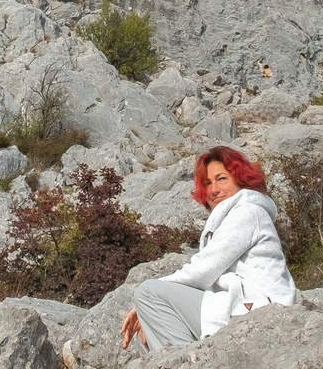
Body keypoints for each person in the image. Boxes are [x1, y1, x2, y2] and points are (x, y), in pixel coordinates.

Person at [120, 146, 296, 352]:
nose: (213, 190)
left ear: (241, 179)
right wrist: (146, 310)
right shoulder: (233, 215)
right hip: (239, 304)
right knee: (147, 333)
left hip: (259, 310)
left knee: (147, 293)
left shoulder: (248, 212)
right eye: (208, 183)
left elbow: (203, 271)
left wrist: (147, 300)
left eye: (222, 179)